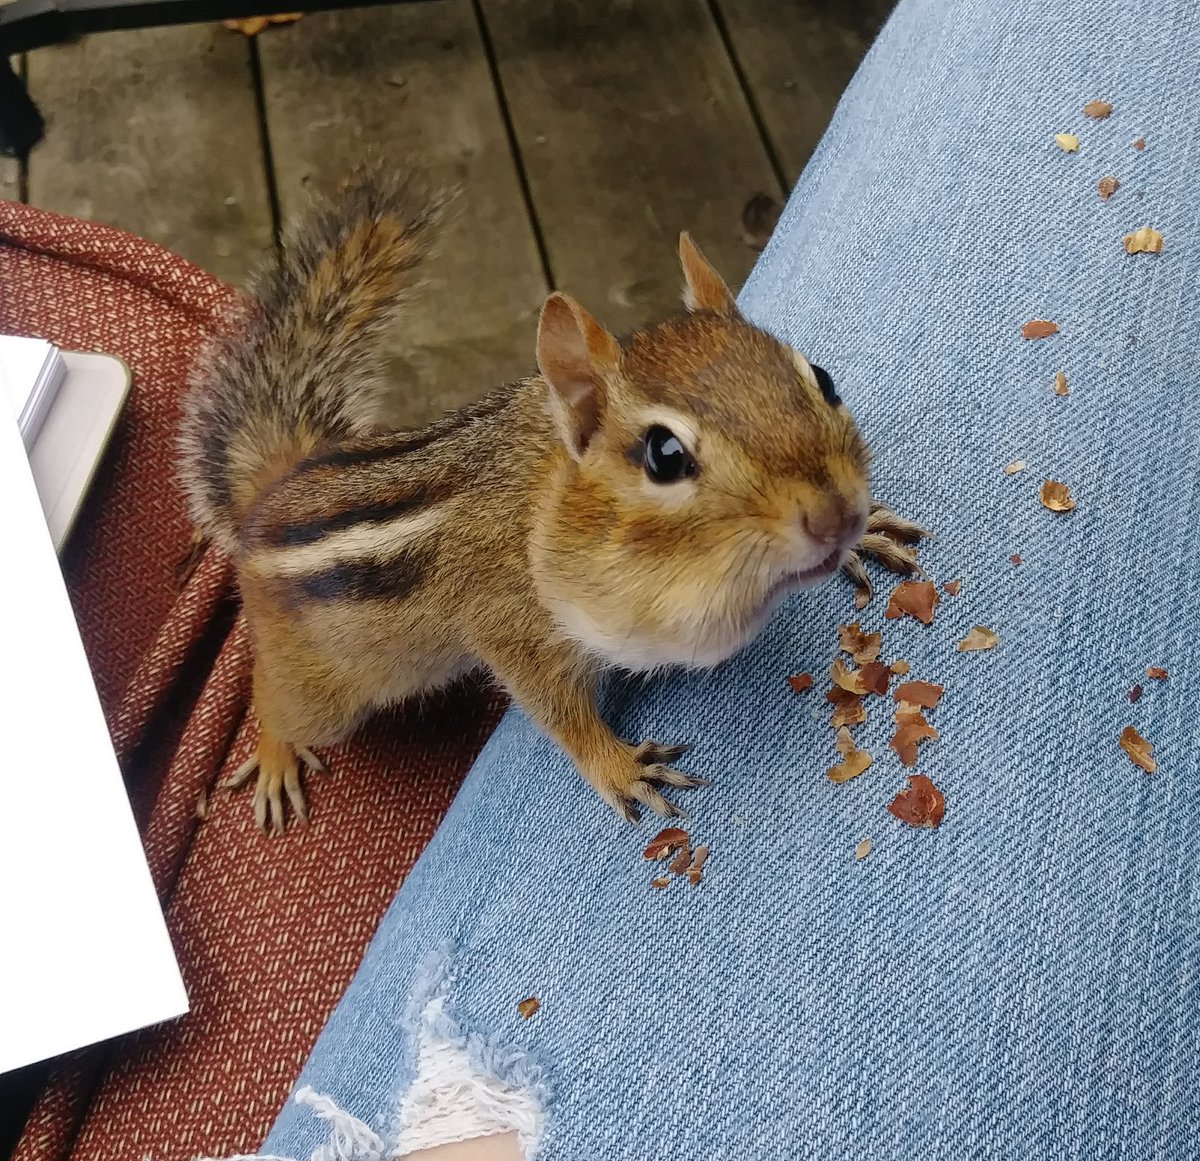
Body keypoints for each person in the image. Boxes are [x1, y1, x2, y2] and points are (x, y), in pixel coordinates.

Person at [233, 0, 1200, 1155]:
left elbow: (794, 474)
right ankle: (272, 720)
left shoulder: (753, 480)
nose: (825, 501)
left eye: (816, 382)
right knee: (322, 707)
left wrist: (835, 527)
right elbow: (518, 646)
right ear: (588, 416)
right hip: (327, 606)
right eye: (674, 458)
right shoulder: (548, 555)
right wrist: (594, 748)